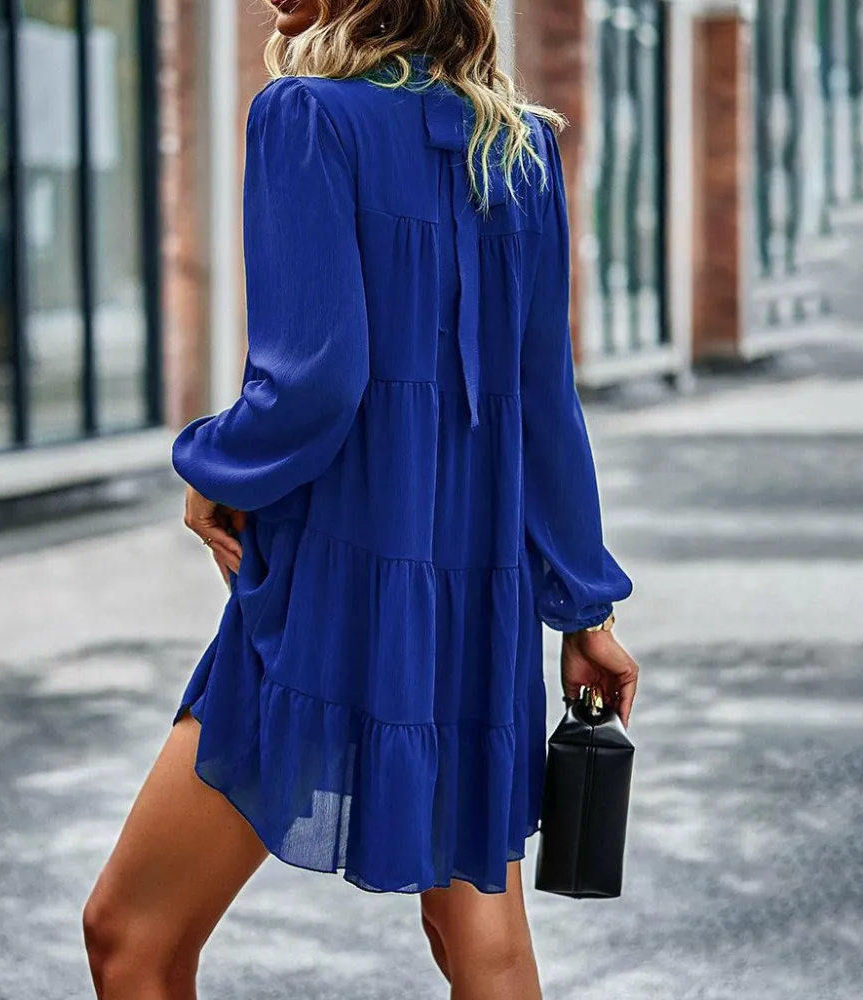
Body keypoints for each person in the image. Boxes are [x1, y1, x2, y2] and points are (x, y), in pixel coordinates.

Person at [83, 1, 639, 998]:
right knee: (480, 942)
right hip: (476, 612)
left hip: (330, 595)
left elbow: (314, 383)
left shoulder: (305, 115)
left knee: (131, 935)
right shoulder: (519, 149)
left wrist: (211, 466)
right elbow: (545, 407)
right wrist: (582, 610)